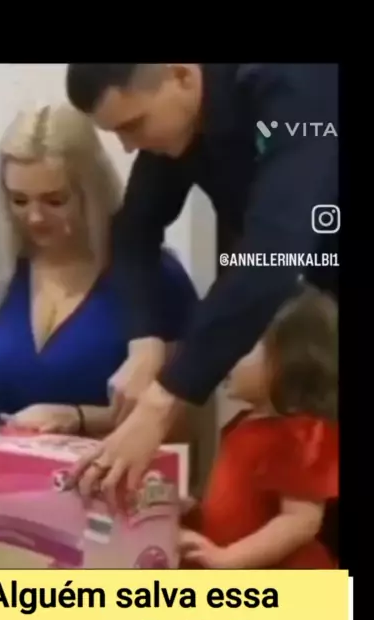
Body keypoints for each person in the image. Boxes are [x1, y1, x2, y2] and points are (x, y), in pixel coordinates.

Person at [65, 64, 339, 503]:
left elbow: (272, 259)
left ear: (182, 76)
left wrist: (163, 401)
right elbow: (133, 233)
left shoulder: (294, 86)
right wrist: (145, 342)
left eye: (133, 125)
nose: (129, 146)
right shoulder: (181, 119)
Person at [0, 103, 199, 438]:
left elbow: (185, 422)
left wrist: (79, 418)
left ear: (91, 192)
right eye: (19, 201)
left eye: (55, 201)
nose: (35, 218)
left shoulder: (156, 276)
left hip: (103, 467)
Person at [179, 285, 339, 569]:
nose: (224, 356)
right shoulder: (244, 424)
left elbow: (301, 521)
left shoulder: (305, 436)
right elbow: (241, 507)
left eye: (241, 346)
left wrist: (227, 558)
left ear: (287, 361)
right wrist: (195, 510)